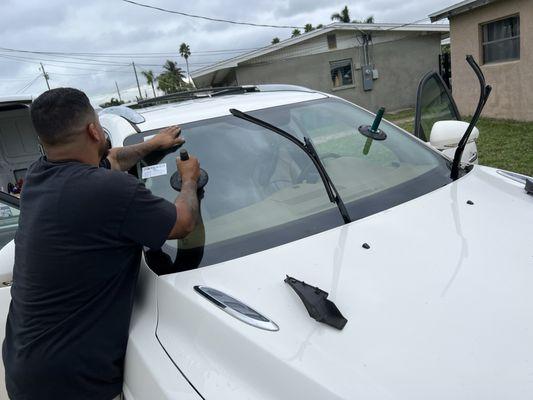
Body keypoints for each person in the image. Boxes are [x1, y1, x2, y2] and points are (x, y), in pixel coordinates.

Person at [2, 87, 201, 400]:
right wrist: (189, 179)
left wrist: (151, 145)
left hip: (24, 366)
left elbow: (110, 160)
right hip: (72, 385)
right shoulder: (110, 192)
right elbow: (183, 222)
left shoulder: (40, 174)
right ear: (94, 130)